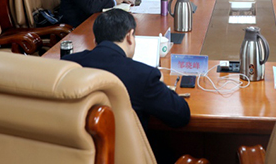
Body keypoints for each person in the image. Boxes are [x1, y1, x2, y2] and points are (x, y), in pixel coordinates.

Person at [61, 9, 190, 129]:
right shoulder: (144, 76)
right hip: (126, 146)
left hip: (78, 144)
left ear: (95, 41)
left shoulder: (68, 64)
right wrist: (161, 84)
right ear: (129, 36)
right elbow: (181, 115)